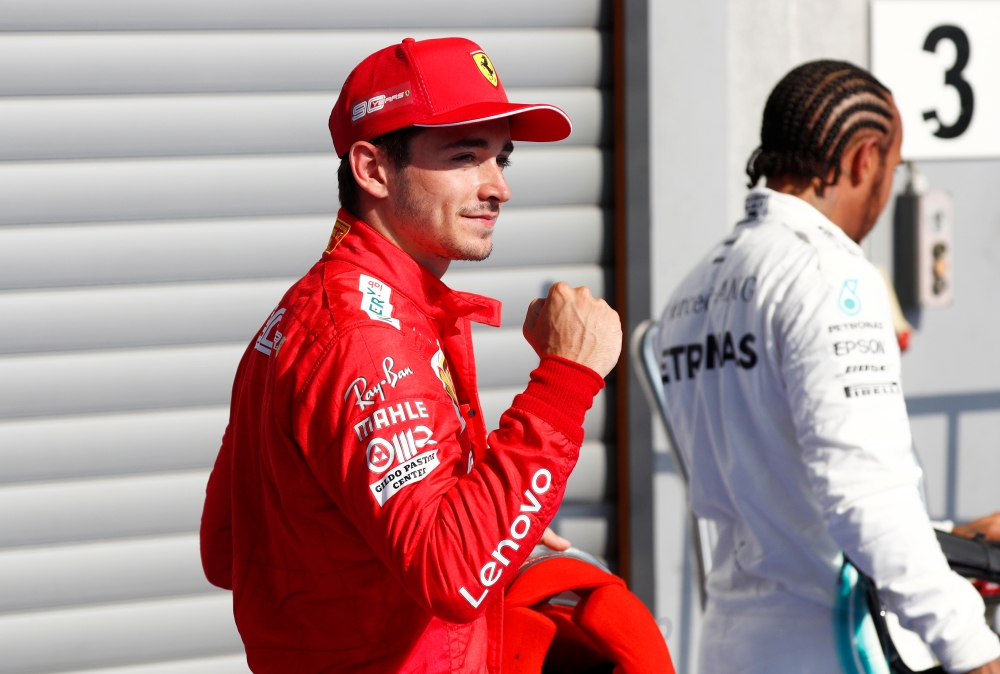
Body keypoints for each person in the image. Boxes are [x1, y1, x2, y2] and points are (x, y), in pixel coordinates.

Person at [200, 37, 622, 673]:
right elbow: (454, 575)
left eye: (501, 158)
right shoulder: (364, 337)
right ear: (372, 169)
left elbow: (230, 546)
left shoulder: (327, 308)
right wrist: (566, 378)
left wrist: (498, 520)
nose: (498, 187)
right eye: (464, 156)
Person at [654, 60, 1000, 674]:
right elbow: (866, 498)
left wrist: (952, 537)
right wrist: (972, 649)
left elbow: (779, 494)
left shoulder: (692, 290)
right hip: (833, 646)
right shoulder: (829, 275)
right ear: (866, 159)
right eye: (892, 170)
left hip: (728, 647)